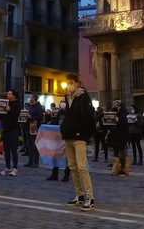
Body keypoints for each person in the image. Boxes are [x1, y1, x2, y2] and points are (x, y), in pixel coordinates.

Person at [61, 72, 96, 211]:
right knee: (73, 167)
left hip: (79, 137)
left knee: (82, 167)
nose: (69, 85)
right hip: (68, 136)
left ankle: (90, 197)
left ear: (77, 83)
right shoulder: (68, 98)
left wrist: (84, 134)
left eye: (71, 82)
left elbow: (90, 118)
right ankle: (79, 195)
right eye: (67, 82)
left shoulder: (83, 97)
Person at [46, 99, 71, 182]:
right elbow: (56, 121)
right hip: (58, 137)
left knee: (67, 157)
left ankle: (66, 174)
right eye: (61, 102)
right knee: (55, 155)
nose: (62, 103)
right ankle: (54, 173)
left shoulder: (70, 112)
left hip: (66, 137)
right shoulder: (60, 112)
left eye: (64, 102)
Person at [0, 89, 20, 176]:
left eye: (10, 94)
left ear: (14, 96)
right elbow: (1, 116)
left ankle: (15, 168)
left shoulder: (17, 105)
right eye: (8, 94)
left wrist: (9, 110)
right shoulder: (7, 103)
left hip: (13, 129)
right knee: (6, 149)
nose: (8, 95)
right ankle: (7, 167)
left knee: (13, 149)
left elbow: (15, 116)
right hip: (5, 129)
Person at [107, 98, 129, 176]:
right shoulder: (113, 110)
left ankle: (123, 169)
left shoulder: (124, 112)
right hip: (114, 134)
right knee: (115, 152)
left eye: (116, 103)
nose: (115, 105)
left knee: (122, 152)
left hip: (121, 134)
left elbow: (125, 123)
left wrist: (118, 120)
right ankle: (115, 168)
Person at [24, 92, 44, 168]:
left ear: (34, 98)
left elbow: (40, 117)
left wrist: (31, 117)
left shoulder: (38, 107)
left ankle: (36, 161)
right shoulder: (31, 107)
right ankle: (30, 160)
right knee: (29, 145)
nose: (30, 99)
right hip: (28, 126)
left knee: (34, 145)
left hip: (34, 127)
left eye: (31, 97)